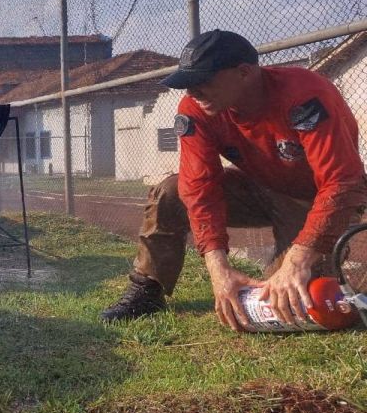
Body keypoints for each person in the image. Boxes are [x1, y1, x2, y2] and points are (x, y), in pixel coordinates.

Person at [101, 29, 367, 331]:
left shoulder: (303, 94)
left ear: (244, 72)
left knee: (286, 299)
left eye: (202, 81)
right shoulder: (196, 108)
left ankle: (326, 281)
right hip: (259, 187)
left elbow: (343, 181)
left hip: (315, 197)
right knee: (171, 191)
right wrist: (218, 269)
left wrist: (299, 259)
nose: (192, 92)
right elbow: (198, 186)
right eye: (187, 84)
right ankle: (147, 290)